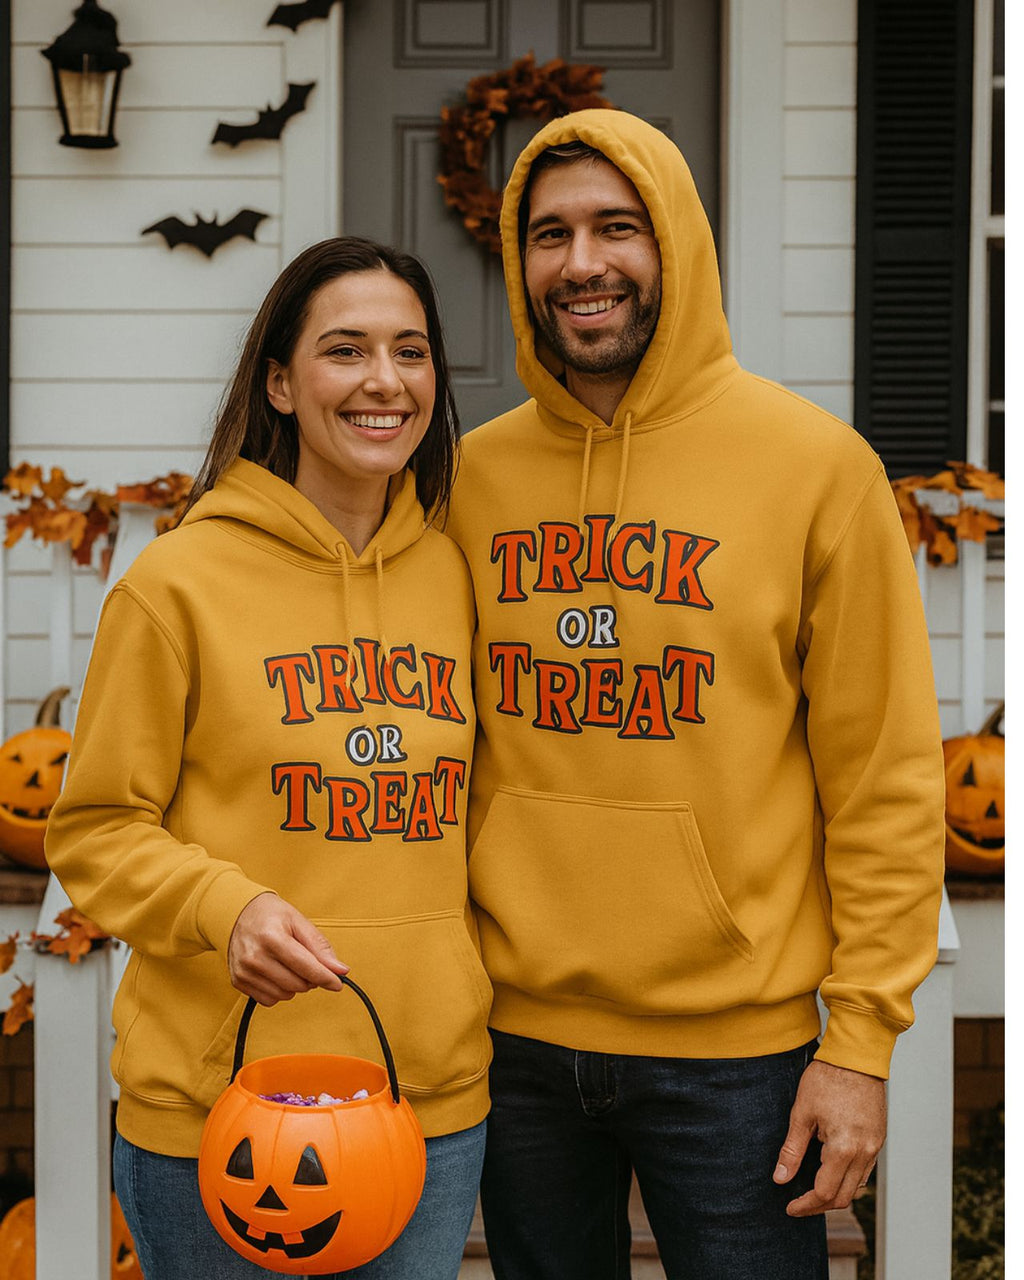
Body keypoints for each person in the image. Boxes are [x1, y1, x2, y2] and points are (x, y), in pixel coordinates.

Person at [444, 109, 946, 1279]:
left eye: (616, 227)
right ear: (518, 263)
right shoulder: (468, 477)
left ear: (675, 241)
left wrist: (860, 1039)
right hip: (511, 1041)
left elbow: (884, 778)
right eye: (550, 234)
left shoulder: (816, 468)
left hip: (739, 1057)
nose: (582, 262)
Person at [46, 236, 492, 1280]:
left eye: (411, 351)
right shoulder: (177, 583)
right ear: (281, 383)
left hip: (419, 1101)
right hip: (223, 1109)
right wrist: (225, 906)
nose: (385, 380)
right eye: (346, 350)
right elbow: (97, 828)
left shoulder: (453, 574)